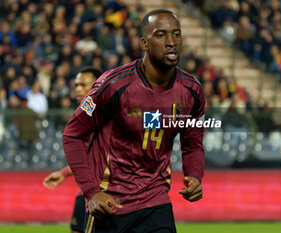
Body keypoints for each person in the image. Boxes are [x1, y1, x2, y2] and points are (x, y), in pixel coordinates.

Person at [62, 9, 205, 233]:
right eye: (160, 35)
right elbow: (72, 135)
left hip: (156, 203)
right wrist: (91, 191)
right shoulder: (114, 85)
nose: (171, 42)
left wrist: (195, 175)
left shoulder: (192, 90)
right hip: (110, 204)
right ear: (144, 43)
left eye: (176, 34)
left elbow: (193, 143)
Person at [43, 66, 103, 233]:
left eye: (83, 85)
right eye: (76, 85)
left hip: (104, 190)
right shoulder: (82, 115)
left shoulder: (103, 116)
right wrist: (64, 173)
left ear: (98, 86)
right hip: (85, 191)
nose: (77, 89)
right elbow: (89, 158)